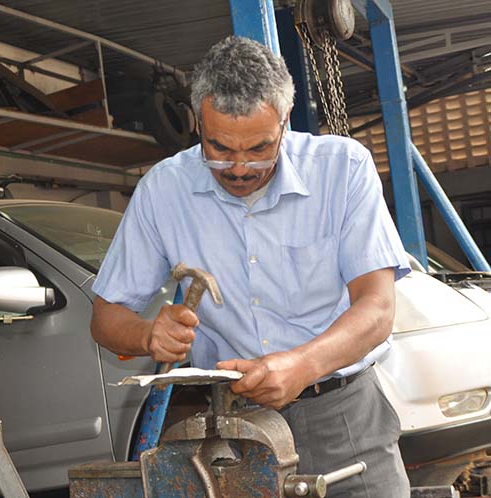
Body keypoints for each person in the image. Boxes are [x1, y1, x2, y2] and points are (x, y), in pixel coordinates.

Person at [90, 36, 411, 497]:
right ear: (198, 121)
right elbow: (105, 318)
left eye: (260, 148)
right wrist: (147, 335)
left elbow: (377, 308)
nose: (239, 168)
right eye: (219, 148)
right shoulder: (163, 191)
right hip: (232, 429)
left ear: (285, 119)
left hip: (343, 417)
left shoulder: (342, 170)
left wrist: (303, 365)